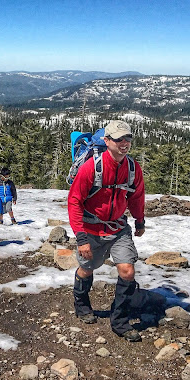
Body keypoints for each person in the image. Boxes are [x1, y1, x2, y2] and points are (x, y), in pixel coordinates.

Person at [67, 120, 146, 342]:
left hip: (118, 228)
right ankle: (81, 304)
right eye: (119, 139)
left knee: (127, 271)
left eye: (128, 138)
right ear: (107, 140)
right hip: (91, 229)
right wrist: (81, 237)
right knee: (87, 269)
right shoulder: (91, 167)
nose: (124, 143)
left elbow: (136, 196)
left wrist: (139, 221)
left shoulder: (132, 168)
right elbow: (74, 201)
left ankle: (119, 321)